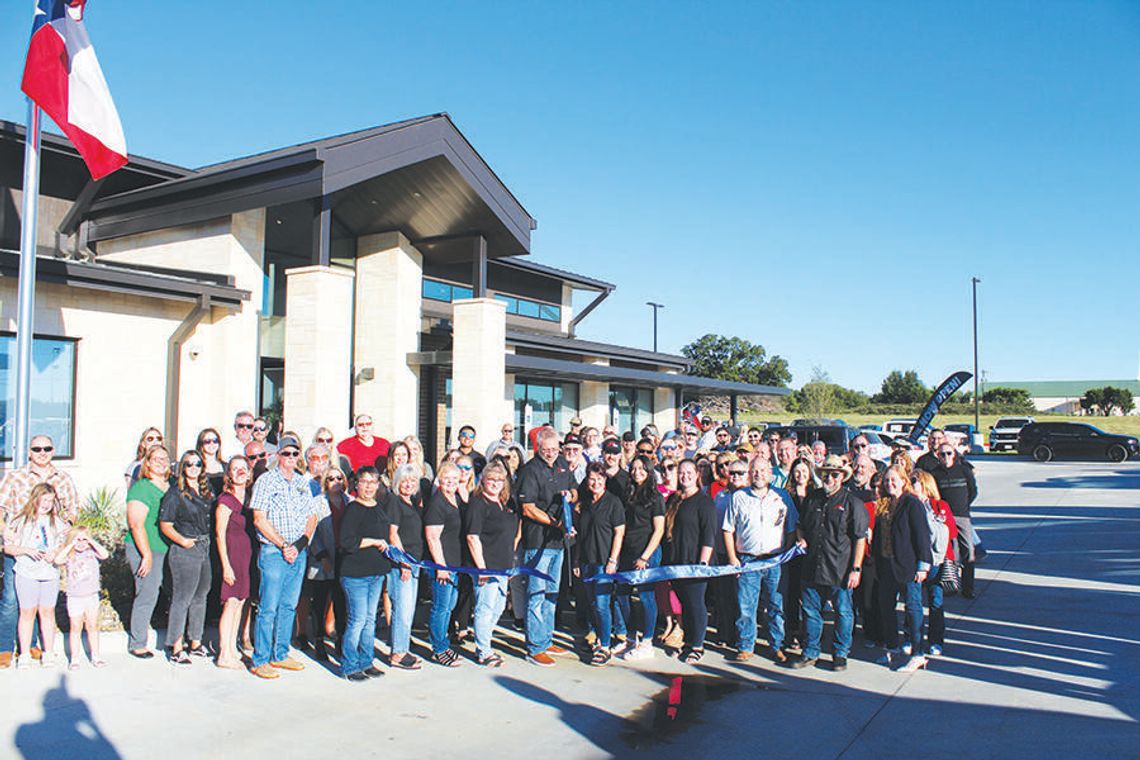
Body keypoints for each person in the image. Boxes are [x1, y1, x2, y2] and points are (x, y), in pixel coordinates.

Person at [0, 434, 80, 665]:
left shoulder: (63, 479)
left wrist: (66, 530)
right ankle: (5, 647)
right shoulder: (15, 477)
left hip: (47, 551)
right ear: (29, 452)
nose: (42, 453)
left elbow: (72, 508)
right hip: (20, 547)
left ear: (53, 450)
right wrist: (5, 530)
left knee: (41, 601)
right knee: (11, 599)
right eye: (37, 449)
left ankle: (33, 645)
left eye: (47, 448)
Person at [790, 455, 869, 672]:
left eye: (835, 474)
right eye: (826, 474)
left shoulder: (853, 503)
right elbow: (800, 525)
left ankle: (840, 653)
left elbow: (859, 538)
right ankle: (810, 652)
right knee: (810, 611)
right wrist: (801, 538)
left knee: (843, 612)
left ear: (842, 477)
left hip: (840, 568)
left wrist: (856, 568)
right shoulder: (812, 498)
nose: (830, 478)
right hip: (812, 565)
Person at [248, 435, 318, 679]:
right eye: (286, 453)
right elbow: (259, 518)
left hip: (298, 552)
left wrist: (299, 545)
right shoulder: (266, 481)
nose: (290, 458)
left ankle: (280, 653)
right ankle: (260, 659)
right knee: (269, 606)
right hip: (274, 552)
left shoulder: (301, 482)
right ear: (278, 455)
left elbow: (312, 516)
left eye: (294, 454)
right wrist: (284, 545)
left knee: (289, 605)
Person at [723, 457, 797, 663]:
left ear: (770, 473)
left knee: (776, 605)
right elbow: (728, 529)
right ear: (749, 473)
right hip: (748, 560)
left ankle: (777, 646)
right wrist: (732, 558)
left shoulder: (782, 496)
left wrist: (786, 554)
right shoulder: (738, 497)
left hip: (775, 561)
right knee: (746, 606)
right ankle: (746, 645)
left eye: (763, 470)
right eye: (755, 470)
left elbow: (791, 528)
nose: (759, 474)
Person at [518, 428, 576, 667]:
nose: (551, 454)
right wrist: (555, 522)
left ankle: (546, 637)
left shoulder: (562, 463)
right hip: (538, 541)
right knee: (536, 594)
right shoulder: (530, 470)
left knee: (552, 592)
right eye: (546, 450)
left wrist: (570, 496)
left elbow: (574, 489)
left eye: (554, 449)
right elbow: (528, 508)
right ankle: (534, 647)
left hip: (558, 542)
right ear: (537, 448)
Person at [872, 466, 932, 673]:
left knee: (913, 608)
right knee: (886, 607)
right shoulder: (884, 504)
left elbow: (922, 535)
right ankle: (892, 646)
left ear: (904, 481)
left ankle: (918, 653)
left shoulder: (912, 503)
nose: (890, 484)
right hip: (886, 564)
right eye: (887, 481)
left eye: (894, 480)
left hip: (908, 565)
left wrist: (923, 564)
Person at [4, 483, 68, 668]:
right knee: (27, 612)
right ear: (36, 498)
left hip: (49, 573)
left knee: (47, 612)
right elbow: (8, 547)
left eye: (51, 500)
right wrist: (27, 550)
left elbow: (66, 546)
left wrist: (55, 553)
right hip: (26, 573)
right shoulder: (21, 521)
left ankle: (48, 652)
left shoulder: (58, 522)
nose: (47, 504)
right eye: (44, 499)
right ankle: (23, 653)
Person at [159, 451, 214, 665]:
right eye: (189, 464)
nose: (193, 467)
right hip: (186, 549)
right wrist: (183, 541)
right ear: (183, 467)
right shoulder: (175, 493)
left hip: (204, 546)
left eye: (197, 464)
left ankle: (195, 642)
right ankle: (175, 645)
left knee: (201, 595)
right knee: (182, 597)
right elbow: (165, 524)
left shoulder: (206, 490)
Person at [337, 466, 390, 681]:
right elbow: (346, 543)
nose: (368, 486)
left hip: (375, 572)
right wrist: (374, 542)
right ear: (356, 485)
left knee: (369, 620)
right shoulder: (353, 509)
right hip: (355, 574)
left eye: (372, 482)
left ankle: (366, 661)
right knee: (357, 620)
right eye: (364, 481)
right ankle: (349, 665)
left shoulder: (379, 507)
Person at [466, 460, 519, 667]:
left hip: (503, 566)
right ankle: (483, 650)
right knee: (484, 608)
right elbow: (472, 537)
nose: (495, 483)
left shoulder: (503, 503)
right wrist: (481, 568)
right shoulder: (478, 504)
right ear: (483, 480)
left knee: (497, 609)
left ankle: (485, 643)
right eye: (491, 479)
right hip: (486, 566)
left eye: (499, 479)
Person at [664, 459, 717, 664]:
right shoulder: (674, 500)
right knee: (685, 604)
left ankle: (697, 645)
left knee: (696, 604)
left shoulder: (704, 502)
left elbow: (709, 535)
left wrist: (702, 564)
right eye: (681, 472)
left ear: (697, 475)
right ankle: (688, 641)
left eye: (689, 472)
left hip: (695, 562)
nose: (684, 476)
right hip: (676, 561)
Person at [614, 455, 665, 661]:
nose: (637, 472)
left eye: (641, 468)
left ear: (649, 470)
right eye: (633, 468)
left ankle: (647, 642)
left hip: (647, 554)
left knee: (646, 597)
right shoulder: (628, 494)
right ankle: (629, 637)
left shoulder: (655, 496)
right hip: (628, 551)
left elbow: (658, 530)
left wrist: (645, 556)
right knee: (622, 595)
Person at [574, 461, 626, 666]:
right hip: (587, 560)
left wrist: (613, 559)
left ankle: (605, 646)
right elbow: (581, 535)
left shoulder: (613, 503)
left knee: (603, 604)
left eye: (599, 479)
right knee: (592, 604)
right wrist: (577, 560)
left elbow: (619, 533)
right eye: (591, 479)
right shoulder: (585, 504)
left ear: (605, 480)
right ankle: (596, 638)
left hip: (604, 562)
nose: (595, 483)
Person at [123, 444, 171, 659]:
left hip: (165, 547)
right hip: (144, 547)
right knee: (147, 593)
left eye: (165, 458)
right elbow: (136, 524)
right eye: (156, 459)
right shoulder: (142, 488)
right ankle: (137, 642)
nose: (161, 462)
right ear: (148, 463)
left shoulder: (169, 486)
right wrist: (147, 555)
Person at [423, 462, 466, 667]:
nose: (451, 483)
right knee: (440, 608)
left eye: (455, 479)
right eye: (447, 479)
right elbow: (432, 537)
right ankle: (438, 648)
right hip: (442, 565)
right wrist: (441, 566)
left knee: (449, 607)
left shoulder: (456, 498)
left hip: (455, 564)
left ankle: (444, 643)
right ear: (439, 480)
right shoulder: (437, 503)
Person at [912, 469, 957, 658]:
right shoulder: (909, 505)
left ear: (924, 484)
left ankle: (936, 640)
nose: (910, 485)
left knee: (935, 601)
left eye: (913, 482)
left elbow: (952, 533)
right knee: (912, 602)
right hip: (915, 561)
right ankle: (912, 639)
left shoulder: (940, 506)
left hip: (937, 562)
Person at [385, 464, 425, 670]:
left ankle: (403, 647)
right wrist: (404, 562)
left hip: (414, 563)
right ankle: (398, 653)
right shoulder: (395, 502)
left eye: (412, 481)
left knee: (409, 610)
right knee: (402, 608)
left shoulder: (414, 503)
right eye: (404, 481)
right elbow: (393, 534)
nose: (408, 485)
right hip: (402, 565)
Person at [215, 456, 254, 669]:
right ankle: (223, 653)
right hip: (232, 553)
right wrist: (226, 566)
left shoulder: (249, 498)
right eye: (235, 469)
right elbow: (219, 534)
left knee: (240, 602)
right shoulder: (225, 500)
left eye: (243, 469)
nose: (239, 472)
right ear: (229, 474)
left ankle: (232, 649)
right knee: (230, 603)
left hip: (246, 555)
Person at [55, 525, 109, 669]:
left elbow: (105, 554)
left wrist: (91, 541)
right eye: (77, 540)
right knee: (75, 627)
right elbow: (58, 560)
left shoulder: (92, 552)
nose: (81, 543)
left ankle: (96, 656)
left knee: (92, 625)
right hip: (75, 597)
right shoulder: (70, 555)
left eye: (83, 539)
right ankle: (75, 658)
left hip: (91, 596)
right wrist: (70, 545)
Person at [930, 443, 978, 598]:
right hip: (945, 518)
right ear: (938, 456)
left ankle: (968, 588)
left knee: (969, 551)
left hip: (962, 516)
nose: (946, 457)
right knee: (952, 553)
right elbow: (934, 495)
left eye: (949, 453)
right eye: (942, 454)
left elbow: (973, 491)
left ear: (954, 454)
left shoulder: (964, 470)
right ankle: (952, 584)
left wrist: (965, 506)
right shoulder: (935, 474)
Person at [197, 428, 226, 495]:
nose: (212, 444)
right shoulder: (196, 466)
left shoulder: (226, 466)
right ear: (201, 444)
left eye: (215, 441)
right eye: (207, 441)